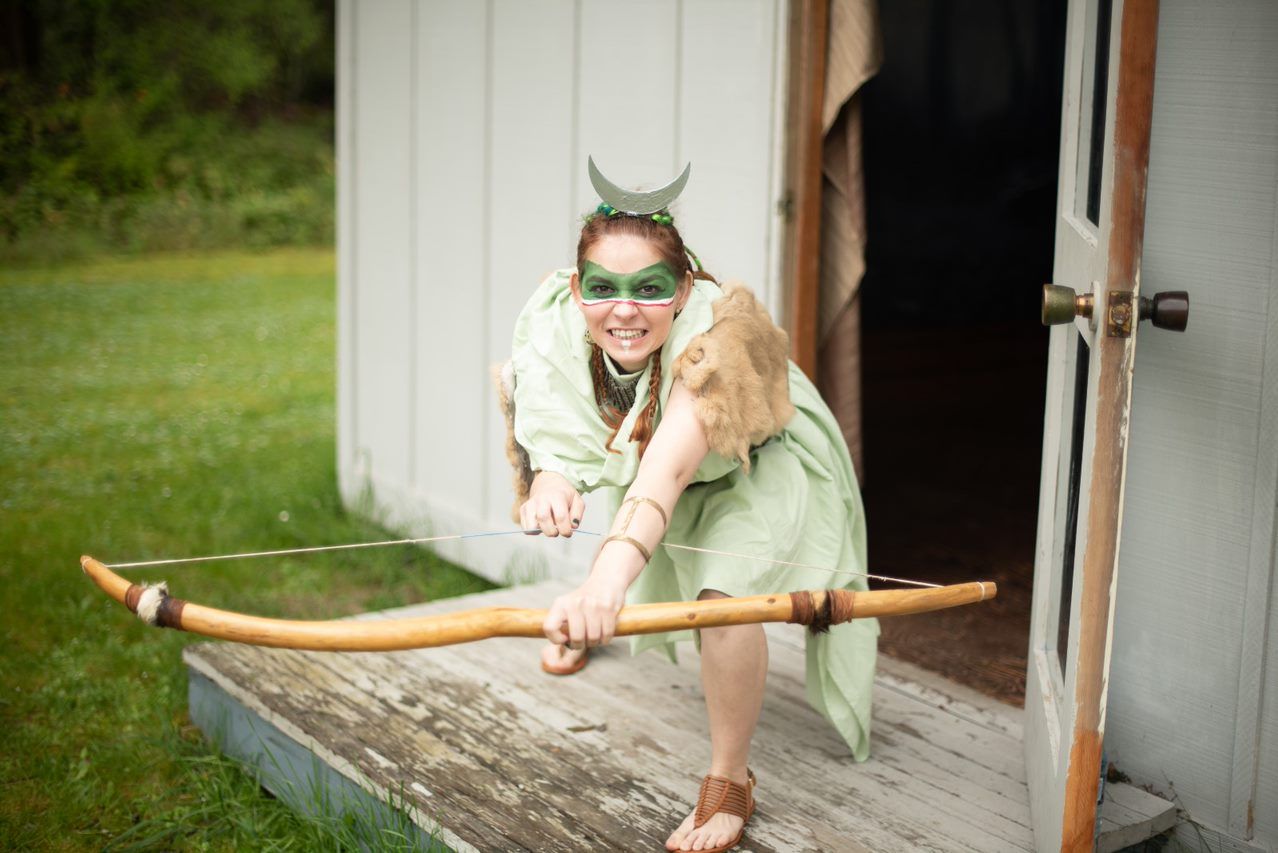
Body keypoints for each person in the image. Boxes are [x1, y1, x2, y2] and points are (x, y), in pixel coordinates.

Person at [497, 159, 877, 853]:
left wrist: (605, 583)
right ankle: (589, 617)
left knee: (722, 597)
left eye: (649, 288)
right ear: (576, 289)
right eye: (602, 288)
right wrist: (551, 483)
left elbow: (661, 477)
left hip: (752, 468)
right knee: (619, 537)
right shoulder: (557, 320)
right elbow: (556, 426)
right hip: (662, 474)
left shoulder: (713, 342)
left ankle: (731, 776)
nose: (624, 309)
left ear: (683, 289)